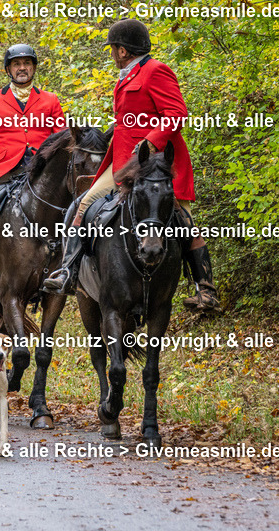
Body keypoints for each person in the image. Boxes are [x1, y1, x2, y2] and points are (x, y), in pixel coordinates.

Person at [42, 19, 220, 312]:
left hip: (156, 164)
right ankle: (68, 273)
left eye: (113, 48)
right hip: (123, 164)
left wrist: (151, 142)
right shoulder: (127, 75)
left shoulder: (155, 70)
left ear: (122, 50)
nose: (112, 53)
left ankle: (206, 289)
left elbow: (176, 113)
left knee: (181, 220)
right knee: (82, 205)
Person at [0, 44, 66, 281]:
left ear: (34, 68)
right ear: (8, 69)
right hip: (5, 168)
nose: (22, 68)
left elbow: (63, 140)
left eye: (27, 64)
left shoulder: (50, 100)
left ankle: (70, 261)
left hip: (42, 170)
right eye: (17, 64)